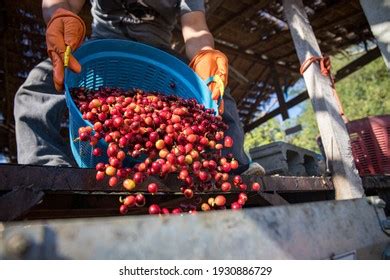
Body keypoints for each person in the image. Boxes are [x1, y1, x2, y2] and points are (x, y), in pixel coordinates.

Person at [14, 0, 265, 175]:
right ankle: (46, 168)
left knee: (217, 94)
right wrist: (59, 15)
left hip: (158, 57)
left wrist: (205, 53)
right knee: (37, 85)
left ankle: (235, 169)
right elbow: (62, 2)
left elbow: (196, 27)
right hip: (104, 48)